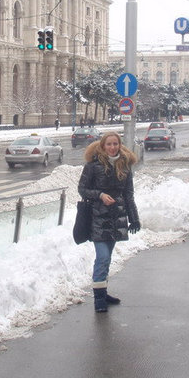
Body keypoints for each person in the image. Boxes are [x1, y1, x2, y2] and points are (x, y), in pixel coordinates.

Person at [78, 131, 141, 313]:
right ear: (103, 146)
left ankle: (103, 292)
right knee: (103, 257)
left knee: (107, 258)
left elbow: (129, 195)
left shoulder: (125, 166)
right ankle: (98, 299)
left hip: (117, 218)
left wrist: (134, 218)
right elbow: (82, 189)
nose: (112, 147)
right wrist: (100, 195)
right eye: (109, 144)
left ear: (119, 146)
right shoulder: (92, 166)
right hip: (98, 217)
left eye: (115, 144)